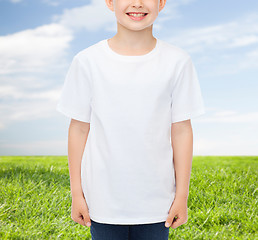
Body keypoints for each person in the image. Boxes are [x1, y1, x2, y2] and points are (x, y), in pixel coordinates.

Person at [56, 0, 206, 239]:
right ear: (109, 2)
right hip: (103, 202)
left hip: (158, 204)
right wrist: (77, 193)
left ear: (162, 2)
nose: (137, 3)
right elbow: (79, 129)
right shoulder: (87, 61)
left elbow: (181, 130)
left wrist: (182, 196)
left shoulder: (177, 61)